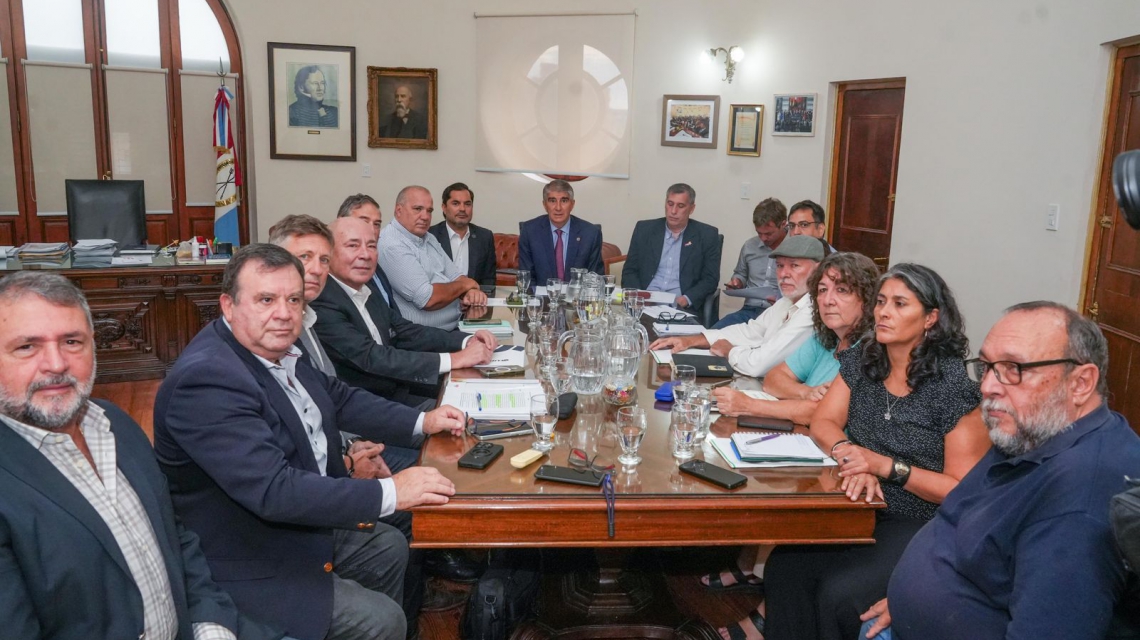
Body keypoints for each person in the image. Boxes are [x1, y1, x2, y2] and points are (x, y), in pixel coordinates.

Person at [153, 244, 468, 640]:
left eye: (294, 300)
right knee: (382, 619)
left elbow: (339, 398)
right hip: (246, 555)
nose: (284, 313)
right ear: (228, 306)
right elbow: (274, 491)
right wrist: (391, 491)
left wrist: (423, 420)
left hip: (292, 522)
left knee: (387, 546)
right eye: (266, 299)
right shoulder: (207, 381)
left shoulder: (275, 346)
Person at [0, 271, 286, 640]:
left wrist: (211, 625)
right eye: (27, 347)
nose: (56, 364)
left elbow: (176, 536)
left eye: (72, 341)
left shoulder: (116, 424)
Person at [718, 263, 991, 640]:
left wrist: (884, 466)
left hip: (921, 520)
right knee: (785, 564)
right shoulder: (865, 362)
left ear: (930, 318)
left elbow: (960, 490)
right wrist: (849, 453)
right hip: (858, 505)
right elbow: (824, 421)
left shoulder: (953, 389)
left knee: (840, 594)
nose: (884, 312)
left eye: (899, 304)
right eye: (880, 302)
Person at [858, 302, 1140, 640]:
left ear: (1080, 383)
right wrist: (912, 597)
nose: (988, 386)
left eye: (1012, 368)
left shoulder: (1080, 500)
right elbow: (958, 518)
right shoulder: (1034, 430)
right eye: (987, 367)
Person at [315, 216, 495, 408]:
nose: (365, 255)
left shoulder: (367, 288)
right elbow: (373, 357)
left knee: (484, 391)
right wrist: (455, 359)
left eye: (371, 246)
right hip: (368, 405)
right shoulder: (322, 301)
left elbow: (405, 331)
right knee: (466, 412)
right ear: (328, 253)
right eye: (353, 246)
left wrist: (466, 340)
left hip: (396, 386)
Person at [712, 251, 880, 424]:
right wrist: (807, 392)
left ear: (866, 298)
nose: (827, 300)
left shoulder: (871, 350)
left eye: (842, 290)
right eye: (822, 290)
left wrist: (749, 406)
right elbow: (772, 379)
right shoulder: (824, 339)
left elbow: (822, 412)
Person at [649, 235, 822, 378]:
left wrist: (729, 351)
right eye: (780, 266)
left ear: (818, 269)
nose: (784, 274)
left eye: (794, 266)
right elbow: (751, 331)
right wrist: (690, 340)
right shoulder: (786, 302)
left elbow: (758, 365)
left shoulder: (812, 311)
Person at [378, 186, 487, 330]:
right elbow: (428, 299)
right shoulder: (392, 244)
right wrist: (465, 286)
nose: (425, 217)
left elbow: (456, 275)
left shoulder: (428, 238)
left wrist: (470, 291)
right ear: (399, 210)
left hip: (456, 324)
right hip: (423, 336)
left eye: (429, 211)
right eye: (418, 209)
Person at [620, 183, 722, 312]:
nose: (673, 211)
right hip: (644, 304)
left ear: (691, 209)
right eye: (670, 204)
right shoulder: (644, 230)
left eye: (680, 206)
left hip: (680, 306)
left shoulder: (707, 235)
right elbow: (630, 271)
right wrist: (639, 297)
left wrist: (686, 299)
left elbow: (710, 279)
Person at [714, 198, 788, 329]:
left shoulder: (795, 249)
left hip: (781, 314)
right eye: (759, 233)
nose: (763, 238)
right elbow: (740, 274)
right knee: (713, 333)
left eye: (768, 233)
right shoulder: (750, 246)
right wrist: (737, 281)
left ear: (783, 224)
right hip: (750, 310)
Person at [517, 179, 604, 287]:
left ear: (572, 204)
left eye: (564, 201)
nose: (558, 208)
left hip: (578, 296)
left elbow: (595, 279)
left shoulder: (590, 234)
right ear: (544, 205)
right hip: (541, 296)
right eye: (552, 201)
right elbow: (527, 278)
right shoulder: (530, 231)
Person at [428, 182, 498, 291]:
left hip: (474, 298)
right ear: (444, 208)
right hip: (441, 298)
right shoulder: (430, 235)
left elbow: (488, 280)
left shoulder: (485, 237)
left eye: (467, 204)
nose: (462, 209)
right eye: (456, 203)